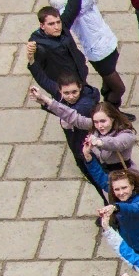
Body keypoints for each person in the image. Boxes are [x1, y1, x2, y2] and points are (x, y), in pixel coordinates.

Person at [24, 53, 102, 196]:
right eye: (66, 93)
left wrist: (46, 101)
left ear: (81, 88)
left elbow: (70, 115)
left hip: (89, 144)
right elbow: (44, 80)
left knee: (99, 177)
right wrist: (32, 61)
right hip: (75, 142)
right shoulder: (62, 96)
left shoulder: (86, 104)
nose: (71, 96)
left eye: (74, 92)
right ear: (60, 91)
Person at [49, 0, 128, 111]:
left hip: (107, 43)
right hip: (98, 53)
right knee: (119, 88)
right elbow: (81, 5)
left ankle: (109, 104)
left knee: (109, 83)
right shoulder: (67, 11)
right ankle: (110, 111)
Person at [30, 85, 138, 174]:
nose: (99, 126)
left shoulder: (126, 134)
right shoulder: (94, 126)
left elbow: (116, 143)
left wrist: (98, 141)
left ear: (113, 119)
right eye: (96, 122)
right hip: (105, 175)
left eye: (103, 121)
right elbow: (72, 116)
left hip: (127, 177)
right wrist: (45, 100)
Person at [85, 145, 139, 253]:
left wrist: (116, 207)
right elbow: (100, 177)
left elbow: (135, 208)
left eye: (124, 188)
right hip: (129, 241)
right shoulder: (118, 194)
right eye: (116, 189)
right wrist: (89, 158)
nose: (121, 193)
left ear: (132, 186)